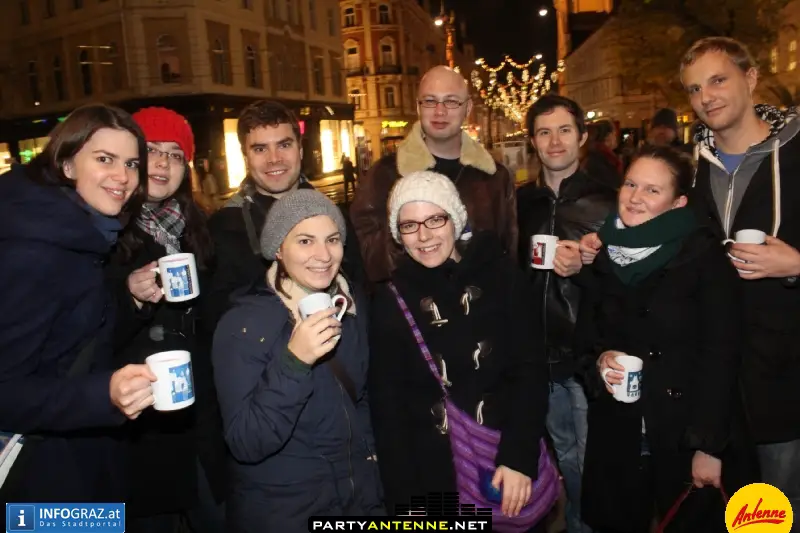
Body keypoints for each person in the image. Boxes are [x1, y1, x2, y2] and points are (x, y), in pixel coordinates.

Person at [575, 145, 758, 533]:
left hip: (683, 431)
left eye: (652, 190)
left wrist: (708, 446)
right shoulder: (606, 252)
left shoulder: (703, 256)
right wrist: (600, 359)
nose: (635, 197)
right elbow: (587, 337)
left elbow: (723, 354)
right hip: (620, 431)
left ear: (678, 203)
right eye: (630, 184)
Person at [368, 171, 549, 521]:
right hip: (435, 480)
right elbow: (389, 413)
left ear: (456, 219)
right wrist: (407, 509)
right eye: (409, 225)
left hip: (502, 461)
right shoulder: (391, 300)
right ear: (397, 234)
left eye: (435, 219)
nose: (423, 235)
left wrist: (518, 457)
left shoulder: (502, 276)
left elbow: (530, 370)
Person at [0, 104, 157, 506]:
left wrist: (131, 299)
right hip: (42, 489)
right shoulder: (35, 251)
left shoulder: (85, 236)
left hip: (80, 466)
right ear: (67, 165)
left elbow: (77, 340)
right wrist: (102, 395)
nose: (123, 176)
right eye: (104, 160)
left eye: (132, 163)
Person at [212, 189, 383, 532]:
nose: (323, 255)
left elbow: (363, 404)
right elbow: (247, 441)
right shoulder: (244, 324)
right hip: (287, 513)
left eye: (332, 239)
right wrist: (295, 361)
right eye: (305, 241)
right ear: (278, 249)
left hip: (358, 501)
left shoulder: (350, 306)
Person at [680, 36, 800, 520]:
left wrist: (796, 265)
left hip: (787, 386)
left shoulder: (795, 156)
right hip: (720, 390)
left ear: (750, 78)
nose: (705, 96)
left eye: (717, 79)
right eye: (692, 88)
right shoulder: (693, 171)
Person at [107, 107, 227, 533]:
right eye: (151, 151)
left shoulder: (198, 229)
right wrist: (130, 297)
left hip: (200, 421)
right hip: (139, 429)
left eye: (175, 155)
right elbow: (86, 336)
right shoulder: (106, 233)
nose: (163, 163)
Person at [517, 95, 616, 533]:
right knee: (564, 451)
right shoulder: (522, 203)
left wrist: (592, 264)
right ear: (532, 142)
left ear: (582, 136)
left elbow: (631, 280)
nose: (554, 141)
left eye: (563, 130)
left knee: (594, 455)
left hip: (588, 355)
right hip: (540, 355)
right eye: (543, 132)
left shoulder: (608, 202)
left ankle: (585, 523)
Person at [350, 65, 518, 284]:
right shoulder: (385, 174)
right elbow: (367, 255)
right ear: (418, 107)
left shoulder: (494, 177)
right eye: (430, 101)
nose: (440, 111)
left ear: (467, 109)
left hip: (482, 305)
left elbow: (509, 251)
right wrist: (416, 243)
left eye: (451, 101)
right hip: (413, 307)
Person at [206, 100, 363, 328]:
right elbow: (217, 317)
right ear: (245, 157)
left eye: (284, 145)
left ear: (300, 149)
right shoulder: (224, 227)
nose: (274, 158)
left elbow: (361, 292)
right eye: (260, 149)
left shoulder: (334, 218)